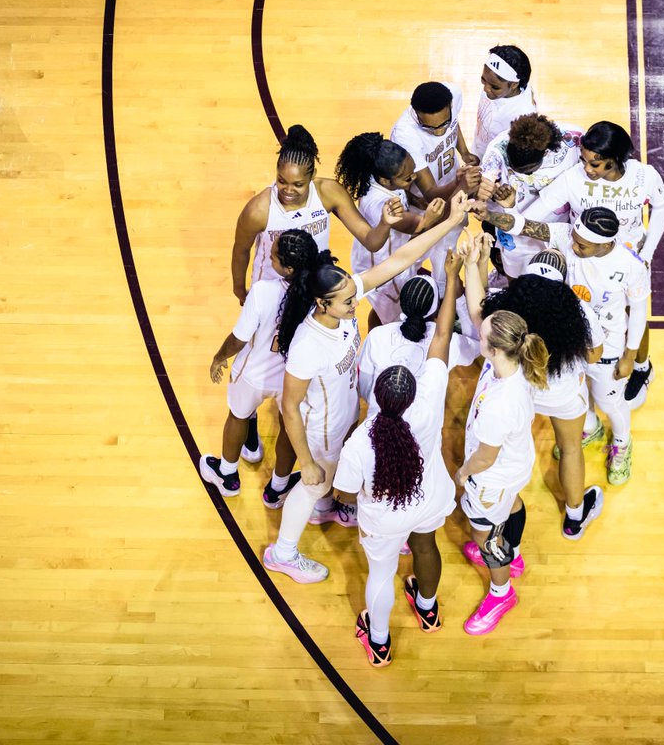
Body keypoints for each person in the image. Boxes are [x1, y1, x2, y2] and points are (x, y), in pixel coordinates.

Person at [261, 192, 471, 584]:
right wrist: (305, 461)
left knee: (322, 485)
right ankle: (283, 553)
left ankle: (322, 506)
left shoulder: (340, 296)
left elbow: (401, 259)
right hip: (320, 426)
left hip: (342, 415)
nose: (354, 303)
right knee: (312, 484)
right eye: (346, 302)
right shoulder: (307, 347)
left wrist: (448, 222)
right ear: (322, 305)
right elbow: (289, 408)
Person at [230, 125, 405, 462]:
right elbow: (240, 251)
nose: (288, 190)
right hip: (270, 298)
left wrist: (384, 222)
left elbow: (371, 240)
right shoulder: (259, 209)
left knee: (293, 373)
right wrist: (240, 289)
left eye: (297, 184)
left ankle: (287, 448)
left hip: (310, 297)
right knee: (253, 367)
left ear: (312, 176)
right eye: (282, 181)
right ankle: (249, 420)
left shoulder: (328, 193)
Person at [333, 250, 464, 667]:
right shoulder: (427, 399)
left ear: (378, 398)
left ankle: (380, 640)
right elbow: (441, 336)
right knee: (426, 548)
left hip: (386, 515)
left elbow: (343, 493)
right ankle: (427, 607)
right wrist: (452, 276)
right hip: (430, 497)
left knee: (380, 573)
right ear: (413, 391)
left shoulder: (362, 440)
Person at [492, 120, 664, 406]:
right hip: (583, 259)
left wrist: (646, 254)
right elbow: (532, 220)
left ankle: (641, 365)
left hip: (626, 262)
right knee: (586, 313)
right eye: (584, 160)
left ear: (615, 160)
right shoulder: (573, 179)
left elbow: (662, 207)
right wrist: (510, 208)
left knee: (634, 311)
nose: (586, 169)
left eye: (595, 164)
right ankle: (587, 366)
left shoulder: (643, 177)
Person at [470, 206, 648, 486]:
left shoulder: (631, 265)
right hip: (568, 344)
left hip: (606, 348)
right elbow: (524, 225)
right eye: (574, 238)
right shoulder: (567, 235)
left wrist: (630, 354)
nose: (572, 245)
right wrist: (486, 214)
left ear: (604, 244)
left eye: (581, 245)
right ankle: (590, 428)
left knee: (609, 401)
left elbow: (638, 311)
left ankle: (622, 443)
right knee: (579, 398)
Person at [463, 239, 606, 539]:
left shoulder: (506, 302)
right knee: (570, 449)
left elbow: (478, 313)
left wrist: (472, 264)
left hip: (519, 391)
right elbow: (594, 355)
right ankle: (575, 518)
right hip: (564, 394)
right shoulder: (579, 309)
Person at [199, 230, 322, 505]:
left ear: (287, 268)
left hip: (253, 373)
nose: (268, 252)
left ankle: (227, 475)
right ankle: (277, 488)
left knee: (238, 416)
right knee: (290, 429)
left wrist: (219, 357)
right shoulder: (318, 292)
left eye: (274, 252)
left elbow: (238, 339)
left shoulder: (263, 291)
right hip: (292, 379)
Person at [454, 302, 549, 635]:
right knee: (513, 503)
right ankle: (517, 555)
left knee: (485, 536)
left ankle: (501, 592)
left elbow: (485, 457)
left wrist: (464, 473)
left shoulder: (500, 405)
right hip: (516, 466)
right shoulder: (514, 365)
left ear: (493, 349)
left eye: (481, 336)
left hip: (492, 477)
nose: (477, 336)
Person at [334, 132, 450, 327]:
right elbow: (419, 227)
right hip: (383, 269)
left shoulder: (383, 175)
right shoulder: (379, 203)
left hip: (390, 254)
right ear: (386, 181)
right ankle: (380, 347)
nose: (413, 179)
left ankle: (375, 331)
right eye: (408, 178)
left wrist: (415, 200)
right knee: (394, 321)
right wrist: (432, 216)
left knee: (380, 312)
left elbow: (402, 191)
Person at [390, 81, 480, 294]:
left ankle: (444, 303)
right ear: (416, 114)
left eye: (443, 124)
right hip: (423, 210)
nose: (439, 131)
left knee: (446, 270)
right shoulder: (405, 134)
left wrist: (464, 152)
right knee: (407, 270)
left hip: (454, 192)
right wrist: (461, 185)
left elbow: (454, 122)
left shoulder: (453, 93)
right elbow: (430, 194)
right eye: (430, 127)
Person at [477, 113, 582, 280]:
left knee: (558, 279)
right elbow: (483, 187)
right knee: (516, 280)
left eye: (529, 170)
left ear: (546, 153)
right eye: (515, 168)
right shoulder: (497, 149)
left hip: (555, 229)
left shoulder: (574, 139)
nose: (524, 175)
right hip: (512, 225)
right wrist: (482, 192)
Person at [356, 274, 479, 417]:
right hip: (425, 428)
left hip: (378, 421)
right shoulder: (448, 342)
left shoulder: (377, 335)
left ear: (402, 304)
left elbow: (364, 385)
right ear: (437, 308)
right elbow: (475, 345)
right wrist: (459, 299)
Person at [472, 45, 538, 158]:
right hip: (480, 151)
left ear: (514, 84)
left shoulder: (524, 114)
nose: (486, 89)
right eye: (483, 80)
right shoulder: (495, 87)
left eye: (494, 87)